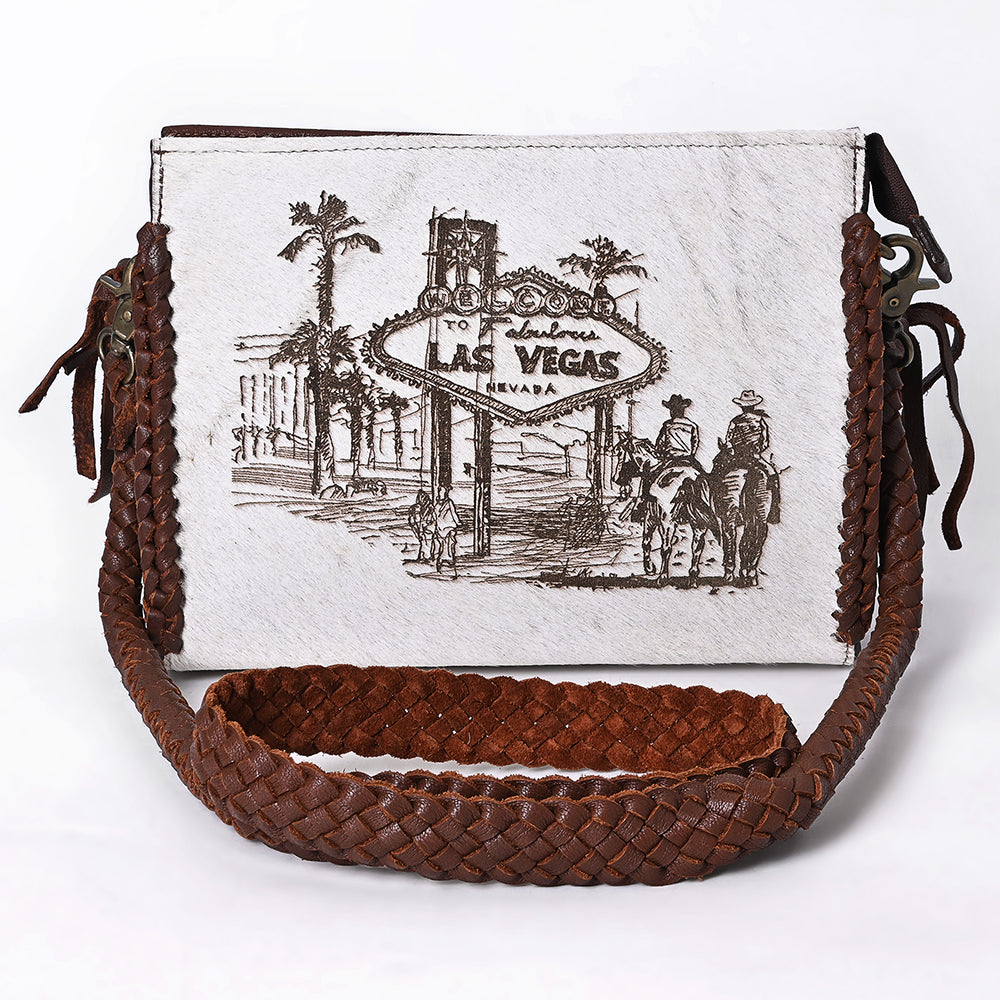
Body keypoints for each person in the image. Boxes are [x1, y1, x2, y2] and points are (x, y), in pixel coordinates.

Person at [654, 394, 702, 469]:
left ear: (672, 411)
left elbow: (660, 444)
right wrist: (690, 454)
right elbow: (695, 444)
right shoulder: (692, 425)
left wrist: (659, 452)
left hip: (671, 458)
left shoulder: (668, 425)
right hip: (688, 458)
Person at [431, 485, 460, 575]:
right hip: (441, 527)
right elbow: (434, 515)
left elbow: (453, 514)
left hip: (448, 527)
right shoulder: (437, 504)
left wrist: (458, 522)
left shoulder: (448, 502)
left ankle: (448, 559)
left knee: (449, 543)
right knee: (442, 544)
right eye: (440, 491)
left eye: (443, 492)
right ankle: (442, 560)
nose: (441, 493)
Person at [407, 489, 434, 562]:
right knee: (423, 541)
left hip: (426, 528)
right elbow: (412, 522)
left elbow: (431, 518)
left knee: (426, 542)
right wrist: (417, 532)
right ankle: (424, 556)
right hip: (420, 527)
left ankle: (425, 556)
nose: (422, 499)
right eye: (420, 497)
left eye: (423, 497)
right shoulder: (414, 508)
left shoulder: (430, 507)